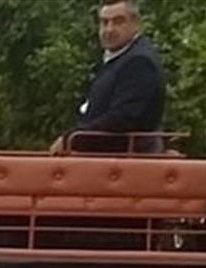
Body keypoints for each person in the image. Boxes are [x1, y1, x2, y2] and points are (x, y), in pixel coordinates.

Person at [58, 0, 167, 154]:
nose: (109, 29)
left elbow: (121, 120)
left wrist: (71, 140)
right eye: (104, 22)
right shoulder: (117, 59)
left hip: (125, 163)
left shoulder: (140, 62)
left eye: (118, 21)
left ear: (136, 24)